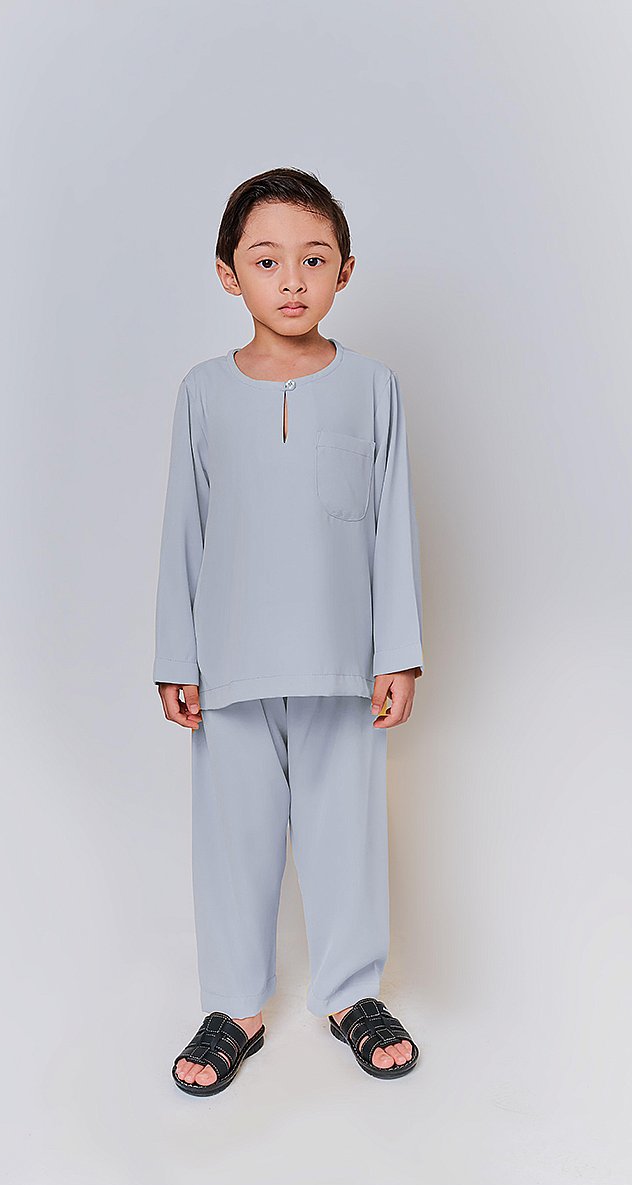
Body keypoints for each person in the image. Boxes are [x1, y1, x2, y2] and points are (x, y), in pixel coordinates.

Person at [153, 167, 424, 1095]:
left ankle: (351, 996)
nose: (292, 280)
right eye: (267, 261)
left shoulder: (374, 387)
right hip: (228, 665)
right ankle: (235, 1008)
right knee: (233, 841)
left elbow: (393, 524)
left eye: (314, 259)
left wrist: (398, 652)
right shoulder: (202, 392)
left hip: (343, 665)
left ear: (344, 270)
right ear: (229, 273)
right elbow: (184, 527)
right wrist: (175, 657)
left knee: (346, 834)